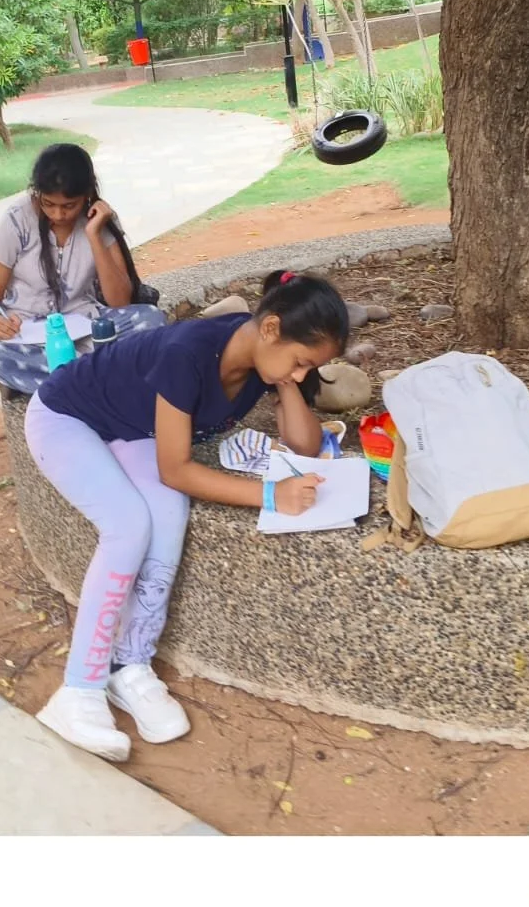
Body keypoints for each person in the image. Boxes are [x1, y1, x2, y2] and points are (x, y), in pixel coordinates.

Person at [25, 270, 351, 761]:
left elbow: (305, 445)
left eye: (311, 367)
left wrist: (288, 381)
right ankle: (79, 689)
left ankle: (129, 665)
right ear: (270, 329)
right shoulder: (190, 353)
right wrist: (269, 495)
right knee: (128, 524)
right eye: (302, 362)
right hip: (66, 417)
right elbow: (175, 468)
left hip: (129, 431)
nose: (302, 373)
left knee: (168, 515)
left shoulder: (260, 357)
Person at [0, 143, 166, 394]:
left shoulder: (100, 220)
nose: (58, 214)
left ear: (87, 195)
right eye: (48, 204)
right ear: (36, 192)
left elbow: (120, 301)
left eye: (69, 206)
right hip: (27, 336)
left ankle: (54, 381)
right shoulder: (17, 219)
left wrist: (94, 234)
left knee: (151, 319)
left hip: (86, 327)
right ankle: (97, 376)